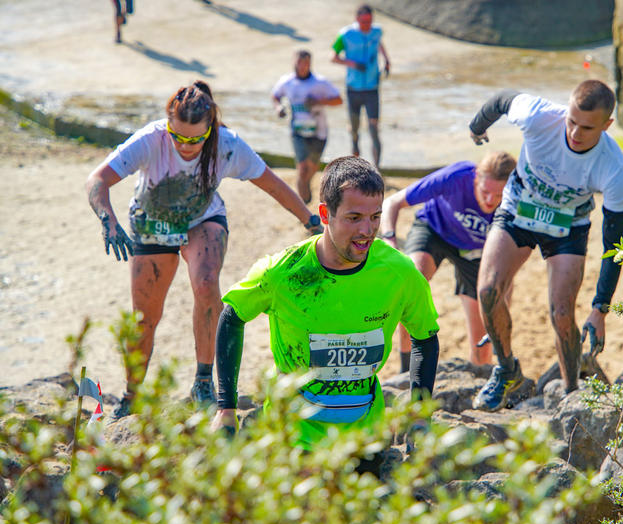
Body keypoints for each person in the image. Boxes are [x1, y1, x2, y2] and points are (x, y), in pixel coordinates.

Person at [85, 80, 322, 419]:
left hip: (203, 220)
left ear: (210, 128)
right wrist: (107, 219)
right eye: (178, 136)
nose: (185, 145)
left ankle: (203, 382)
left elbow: (272, 183)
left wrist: (310, 220)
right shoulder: (151, 139)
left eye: (195, 139)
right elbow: (97, 179)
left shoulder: (227, 145)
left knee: (207, 283)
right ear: (168, 124)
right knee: (145, 318)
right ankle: (132, 394)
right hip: (153, 225)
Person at [211, 156, 440, 450]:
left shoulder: (400, 273)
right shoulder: (283, 273)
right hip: (293, 436)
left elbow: (425, 337)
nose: (367, 231)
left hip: (364, 438)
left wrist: (420, 416)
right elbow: (231, 317)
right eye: (354, 218)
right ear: (325, 213)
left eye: (375, 217)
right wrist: (226, 409)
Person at [468, 79, 623, 411]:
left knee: (561, 312)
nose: (574, 133)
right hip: (518, 210)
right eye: (571, 121)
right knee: (487, 291)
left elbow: (615, 243)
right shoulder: (539, 116)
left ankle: (571, 390)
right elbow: (501, 98)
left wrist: (600, 308)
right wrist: (477, 127)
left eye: (587, 127)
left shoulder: (613, 166)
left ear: (607, 125)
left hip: (567, 226)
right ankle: (505, 369)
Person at [379, 151, 516, 369]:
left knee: (484, 339)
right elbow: (392, 203)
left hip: (477, 252)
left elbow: (507, 270)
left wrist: (499, 309)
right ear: (476, 178)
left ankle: (478, 377)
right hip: (435, 230)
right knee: (412, 283)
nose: (490, 201)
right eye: (485, 191)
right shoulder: (457, 176)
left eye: (499, 196)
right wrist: (390, 242)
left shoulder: (517, 201)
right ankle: (406, 369)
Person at [272, 50, 343, 204]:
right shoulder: (287, 82)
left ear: (310, 64)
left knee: (312, 167)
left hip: (319, 131)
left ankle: (305, 185)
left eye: (306, 63)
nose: (303, 66)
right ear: (294, 62)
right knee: (302, 168)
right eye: (300, 63)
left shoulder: (320, 83)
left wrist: (319, 101)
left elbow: (338, 100)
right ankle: (302, 204)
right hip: (297, 131)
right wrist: (278, 108)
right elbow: (275, 95)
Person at [331, 4, 390, 168]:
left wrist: (386, 60)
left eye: (369, 21)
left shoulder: (377, 31)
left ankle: (377, 169)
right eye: (364, 21)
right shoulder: (346, 34)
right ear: (357, 19)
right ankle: (356, 164)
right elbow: (333, 57)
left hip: (372, 87)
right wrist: (353, 64)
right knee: (355, 129)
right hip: (353, 88)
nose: (367, 25)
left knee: (374, 128)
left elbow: (379, 43)